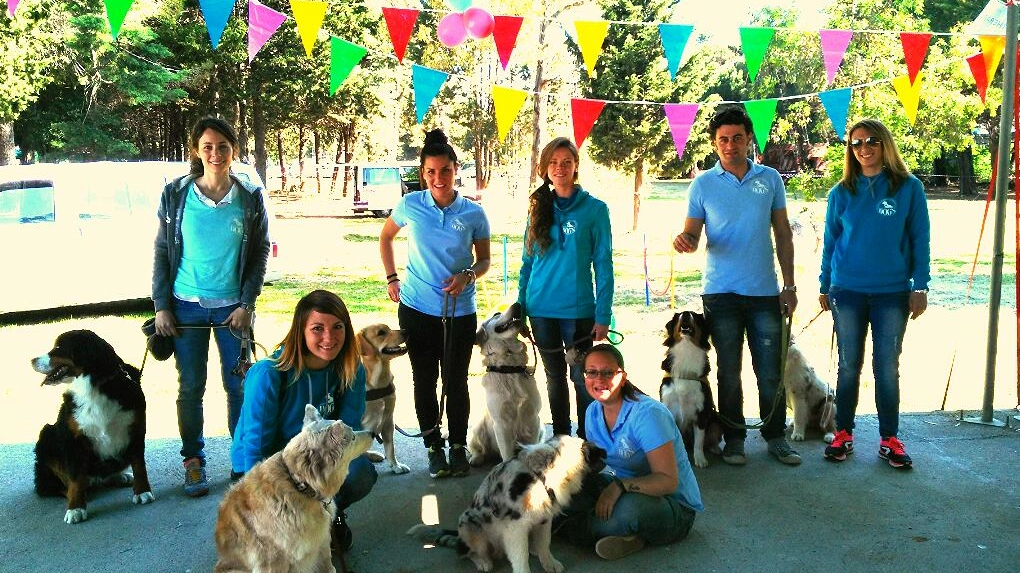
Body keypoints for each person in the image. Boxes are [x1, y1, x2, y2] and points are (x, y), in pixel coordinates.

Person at [671, 105, 801, 466]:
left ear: (749, 139)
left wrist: (789, 286)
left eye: (737, 138)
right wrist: (684, 241)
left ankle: (776, 437)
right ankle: (735, 440)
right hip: (720, 294)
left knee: (770, 371)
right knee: (729, 372)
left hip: (764, 293)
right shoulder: (703, 184)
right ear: (715, 144)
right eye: (724, 140)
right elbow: (693, 234)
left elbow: (783, 234)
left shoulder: (770, 179)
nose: (731, 145)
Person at [152, 116, 271, 497]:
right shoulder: (176, 194)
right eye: (207, 147)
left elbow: (259, 253)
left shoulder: (250, 197)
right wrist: (161, 306)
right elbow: (161, 252)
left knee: (239, 387)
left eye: (222, 146)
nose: (216, 153)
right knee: (190, 387)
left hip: (232, 312)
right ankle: (194, 462)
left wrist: (247, 303)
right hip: (185, 309)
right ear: (195, 151)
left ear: (233, 150)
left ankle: (242, 461)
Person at [818, 119, 930, 469]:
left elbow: (919, 240)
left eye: (871, 141)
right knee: (848, 366)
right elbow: (830, 243)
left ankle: (889, 439)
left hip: (892, 294)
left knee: (886, 368)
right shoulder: (841, 192)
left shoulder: (908, 188)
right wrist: (824, 284)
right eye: (856, 143)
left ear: (885, 144)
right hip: (847, 291)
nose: (864, 148)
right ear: (850, 149)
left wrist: (920, 285)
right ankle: (843, 433)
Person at [379, 129, 490, 479]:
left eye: (445, 170)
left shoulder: (474, 213)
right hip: (416, 309)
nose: (438, 178)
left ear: (456, 169)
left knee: (456, 381)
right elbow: (386, 237)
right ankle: (433, 449)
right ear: (422, 173)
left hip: (459, 313)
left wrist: (468, 276)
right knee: (423, 380)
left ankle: (458, 447)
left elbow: (484, 261)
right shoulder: (410, 204)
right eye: (430, 172)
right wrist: (392, 278)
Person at [230, 289, 376, 552]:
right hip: (272, 460)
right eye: (317, 328)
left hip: (317, 459)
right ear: (301, 330)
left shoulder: (352, 368)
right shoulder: (269, 373)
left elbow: (349, 430)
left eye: (337, 327)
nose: (329, 337)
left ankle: (329, 517)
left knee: (360, 473)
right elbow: (256, 444)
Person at [556, 344, 703, 561]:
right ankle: (627, 536)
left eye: (608, 372)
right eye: (592, 372)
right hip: (623, 487)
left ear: (622, 376)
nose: (599, 379)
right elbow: (597, 463)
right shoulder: (592, 412)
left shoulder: (648, 415)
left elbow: (668, 482)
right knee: (565, 490)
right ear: (584, 376)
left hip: (671, 505)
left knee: (627, 512)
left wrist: (619, 487)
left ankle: (560, 528)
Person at [518, 137, 614, 439]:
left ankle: (588, 440)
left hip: (578, 312)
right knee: (554, 376)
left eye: (567, 163)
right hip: (540, 309)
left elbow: (604, 264)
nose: (560, 168)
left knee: (582, 377)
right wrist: (521, 308)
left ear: (576, 167)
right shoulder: (537, 208)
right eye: (554, 163)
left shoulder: (595, 210)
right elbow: (527, 263)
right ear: (545, 167)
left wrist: (603, 314)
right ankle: (560, 439)